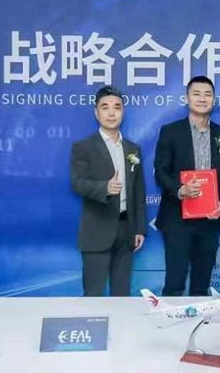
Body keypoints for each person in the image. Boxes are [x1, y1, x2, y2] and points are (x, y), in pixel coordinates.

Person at [154, 75, 220, 296]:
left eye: (207, 94)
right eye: (196, 94)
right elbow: (160, 171)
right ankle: (170, 320)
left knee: (201, 285)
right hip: (177, 219)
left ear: (214, 99)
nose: (202, 99)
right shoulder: (171, 131)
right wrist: (180, 189)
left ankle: (200, 319)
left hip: (209, 221)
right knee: (174, 282)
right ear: (187, 98)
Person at [70, 85, 147, 296]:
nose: (111, 113)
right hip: (97, 230)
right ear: (96, 113)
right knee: (93, 295)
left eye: (117, 107)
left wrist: (139, 229)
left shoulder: (133, 149)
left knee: (121, 294)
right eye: (105, 107)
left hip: (126, 230)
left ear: (123, 112)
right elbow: (77, 183)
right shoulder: (83, 147)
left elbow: (138, 191)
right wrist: (105, 187)